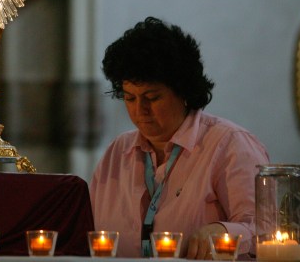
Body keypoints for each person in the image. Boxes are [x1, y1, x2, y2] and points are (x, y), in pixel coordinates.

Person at [89, 17, 269, 260]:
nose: (140, 110)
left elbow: (269, 232)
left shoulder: (229, 145)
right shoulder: (117, 153)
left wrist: (224, 231)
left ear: (184, 91)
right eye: (130, 98)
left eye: (152, 98)